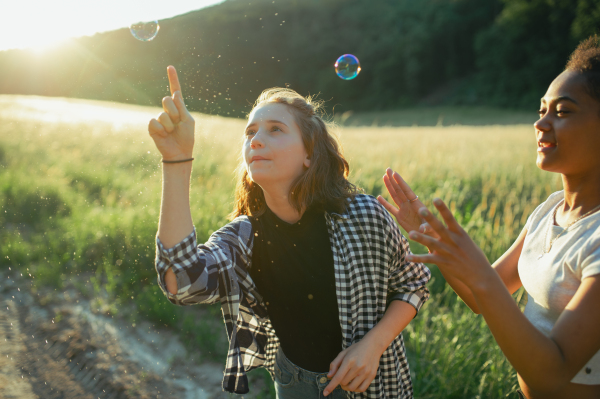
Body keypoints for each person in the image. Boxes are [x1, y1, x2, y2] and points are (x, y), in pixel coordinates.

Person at [148, 65, 431, 398]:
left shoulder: (363, 215)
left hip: (372, 381)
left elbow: (414, 281)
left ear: (309, 154)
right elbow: (180, 284)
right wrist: (177, 160)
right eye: (250, 132)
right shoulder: (244, 237)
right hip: (293, 384)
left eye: (275, 129)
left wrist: (373, 345)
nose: (256, 140)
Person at [377, 36, 600, 399]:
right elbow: (479, 297)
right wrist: (427, 234)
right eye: (542, 109)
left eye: (563, 112)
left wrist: (478, 271)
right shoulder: (549, 211)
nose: (541, 123)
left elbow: (553, 375)